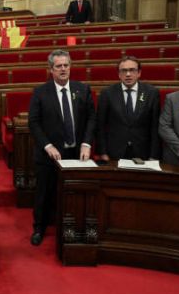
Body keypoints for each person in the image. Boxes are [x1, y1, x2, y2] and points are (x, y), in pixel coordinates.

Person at [28, 50, 95, 246]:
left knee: (74, 192)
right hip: (49, 155)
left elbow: (92, 117)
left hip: (77, 152)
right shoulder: (40, 92)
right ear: (51, 70)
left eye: (66, 65)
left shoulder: (82, 89)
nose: (63, 69)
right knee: (44, 192)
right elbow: (34, 122)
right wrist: (47, 145)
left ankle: (72, 225)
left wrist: (86, 142)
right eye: (59, 66)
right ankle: (39, 228)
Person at [96, 57, 161, 161]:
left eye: (132, 70)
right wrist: (102, 152)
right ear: (119, 74)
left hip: (143, 152)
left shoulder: (151, 93)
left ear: (139, 73)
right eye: (124, 70)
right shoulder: (107, 93)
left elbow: (155, 126)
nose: (128, 74)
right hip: (114, 152)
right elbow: (100, 126)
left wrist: (154, 155)